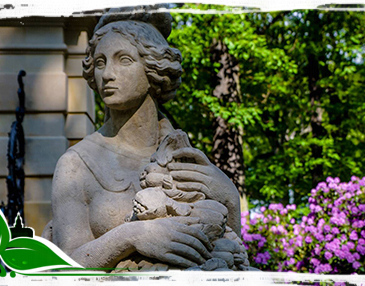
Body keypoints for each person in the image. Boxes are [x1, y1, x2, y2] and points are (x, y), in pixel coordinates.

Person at [48, 7, 241, 269]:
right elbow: (64, 267)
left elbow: (231, 253)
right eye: (101, 62)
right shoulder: (76, 164)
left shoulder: (184, 156)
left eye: (123, 60)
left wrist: (228, 196)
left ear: (155, 69)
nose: (107, 74)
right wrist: (133, 236)